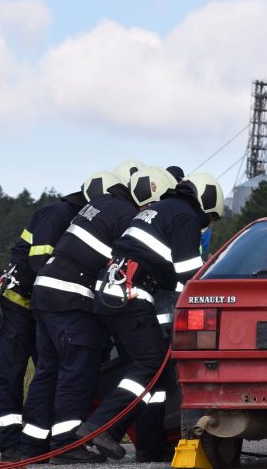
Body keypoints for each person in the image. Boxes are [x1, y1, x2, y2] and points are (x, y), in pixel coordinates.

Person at [76, 172, 224, 462]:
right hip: (131, 295)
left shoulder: (160, 209)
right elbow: (189, 274)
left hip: (112, 292)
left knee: (152, 376)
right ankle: (102, 426)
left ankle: (150, 445)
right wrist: (216, 283)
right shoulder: (186, 217)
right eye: (211, 217)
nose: (207, 223)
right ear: (207, 202)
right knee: (150, 363)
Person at [20, 170, 135, 464]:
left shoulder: (93, 209)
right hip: (71, 303)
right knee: (76, 373)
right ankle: (65, 445)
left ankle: (32, 447)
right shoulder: (125, 215)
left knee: (47, 373)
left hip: (45, 297)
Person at [0, 184, 88, 462]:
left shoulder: (78, 218)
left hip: (43, 306)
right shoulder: (57, 213)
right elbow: (41, 260)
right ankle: (10, 444)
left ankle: (37, 440)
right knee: (12, 372)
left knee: (48, 371)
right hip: (17, 302)